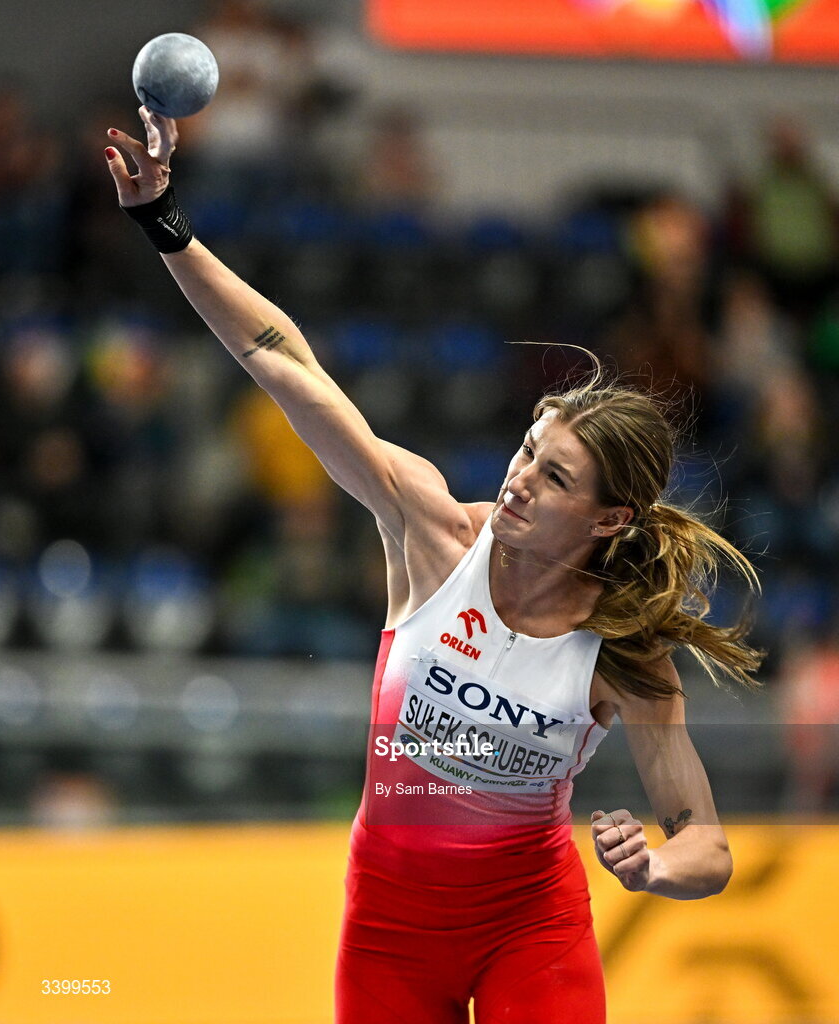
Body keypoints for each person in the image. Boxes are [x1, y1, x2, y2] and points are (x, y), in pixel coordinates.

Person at [104, 108, 763, 1023]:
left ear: (611, 518)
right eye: (529, 449)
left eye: (556, 476)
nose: (520, 479)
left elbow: (710, 846)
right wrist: (166, 226)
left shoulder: (621, 646)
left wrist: (656, 866)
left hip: (531, 927)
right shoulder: (429, 527)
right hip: (387, 929)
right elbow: (280, 357)